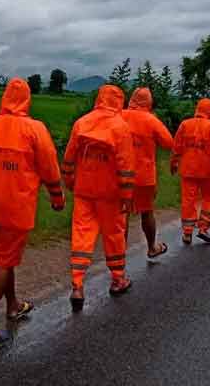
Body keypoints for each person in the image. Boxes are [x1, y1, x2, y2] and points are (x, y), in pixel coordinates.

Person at [0, 78, 63, 347]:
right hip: (17, 204)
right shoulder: (35, 129)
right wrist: (57, 197)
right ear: (27, 100)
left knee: (3, 257)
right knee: (4, 261)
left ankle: (13, 305)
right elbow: (49, 167)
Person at [62, 84, 136, 310]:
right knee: (113, 234)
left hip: (84, 189)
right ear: (118, 101)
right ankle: (117, 279)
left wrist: (70, 181)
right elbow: (125, 165)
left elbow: (69, 157)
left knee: (81, 234)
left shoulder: (82, 123)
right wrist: (127, 195)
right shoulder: (120, 127)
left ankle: (77, 285)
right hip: (110, 193)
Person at [121, 87, 175, 258]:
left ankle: (118, 255)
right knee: (147, 212)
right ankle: (152, 247)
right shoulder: (151, 120)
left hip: (120, 175)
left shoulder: (118, 116)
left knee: (122, 216)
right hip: (144, 177)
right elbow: (168, 143)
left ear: (132, 100)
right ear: (149, 102)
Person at [171, 98, 210, 245]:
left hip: (188, 170)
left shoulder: (185, 124)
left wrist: (174, 163)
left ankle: (187, 233)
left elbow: (177, 146)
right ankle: (203, 228)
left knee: (188, 201)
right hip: (208, 172)